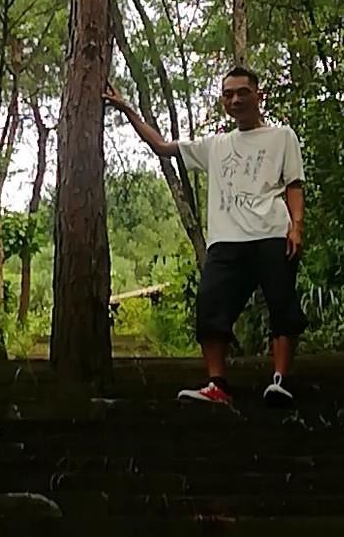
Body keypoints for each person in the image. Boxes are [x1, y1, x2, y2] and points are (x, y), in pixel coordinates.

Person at [104, 64, 307, 408]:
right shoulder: (216, 145)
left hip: (272, 233)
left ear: (258, 95)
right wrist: (127, 108)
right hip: (226, 241)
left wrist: (296, 226)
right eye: (228, 94)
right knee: (210, 307)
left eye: (243, 92)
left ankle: (280, 381)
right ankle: (217, 384)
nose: (236, 99)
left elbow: (294, 184)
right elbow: (162, 147)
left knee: (281, 304)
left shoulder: (281, 137)